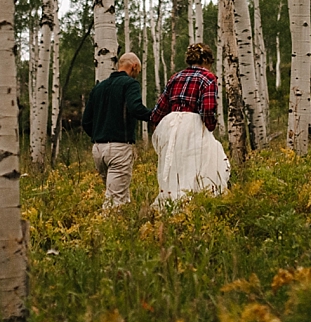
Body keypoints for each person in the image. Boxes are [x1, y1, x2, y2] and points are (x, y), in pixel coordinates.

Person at [150, 42, 230, 202]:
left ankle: (171, 202)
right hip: (192, 124)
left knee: (175, 166)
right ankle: (193, 202)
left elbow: (159, 110)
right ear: (207, 60)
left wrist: (160, 126)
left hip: (171, 124)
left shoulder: (175, 77)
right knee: (198, 165)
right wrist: (209, 126)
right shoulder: (208, 78)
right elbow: (207, 108)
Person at [81, 52, 151, 206]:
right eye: (138, 71)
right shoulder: (130, 84)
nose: (137, 75)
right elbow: (135, 108)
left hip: (98, 149)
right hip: (118, 147)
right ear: (134, 66)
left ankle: (122, 227)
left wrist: (99, 134)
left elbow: (86, 121)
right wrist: (155, 116)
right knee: (115, 200)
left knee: (116, 194)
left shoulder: (99, 87)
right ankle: (106, 228)